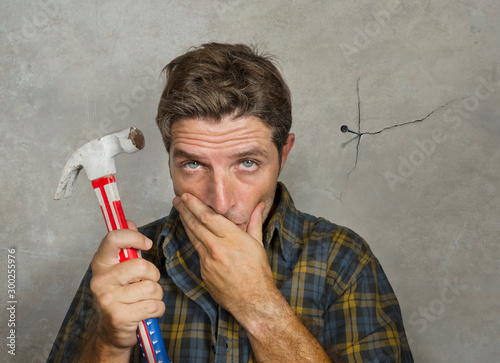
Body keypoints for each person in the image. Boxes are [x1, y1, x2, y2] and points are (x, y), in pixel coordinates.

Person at [48, 43, 413, 362]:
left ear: (283, 154)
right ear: (169, 158)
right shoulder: (125, 267)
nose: (220, 202)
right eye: (193, 164)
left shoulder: (343, 260)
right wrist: (109, 344)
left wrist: (258, 305)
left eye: (247, 163)